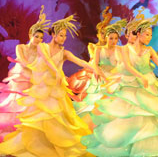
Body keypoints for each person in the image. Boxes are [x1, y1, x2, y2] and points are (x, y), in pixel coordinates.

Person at [81, 14, 158, 156]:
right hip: (130, 84)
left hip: (147, 85)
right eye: (147, 34)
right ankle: (127, 145)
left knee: (150, 116)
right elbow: (127, 65)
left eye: (150, 35)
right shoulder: (125, 49)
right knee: (128, 116)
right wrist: (140, 76)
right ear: (139, 34)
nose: (149, 38)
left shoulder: (149, 50)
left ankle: (149, 149)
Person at [0, 14, 101, 157]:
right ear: (53, 34)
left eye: (65, 36)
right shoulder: (42, 47)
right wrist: (57, 72)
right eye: (61, 35)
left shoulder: (64, 52)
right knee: (37, 119)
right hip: (41, 90)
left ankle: (54, 146)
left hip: (56, 91)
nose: (63, 38)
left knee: (57, 120)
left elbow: (80, 62)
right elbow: (47, 60)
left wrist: (95, 68)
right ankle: (37, 145)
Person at [0, 6, 48, 141]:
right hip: (21, 77)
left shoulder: (40, 50)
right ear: (30, 36)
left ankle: (31, 133)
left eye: (41, 37)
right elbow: (24, 61)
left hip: (33, 79)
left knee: (34, 105)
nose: (38, 39)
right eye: (36, 36)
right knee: (17, 104)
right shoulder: (20, 47)